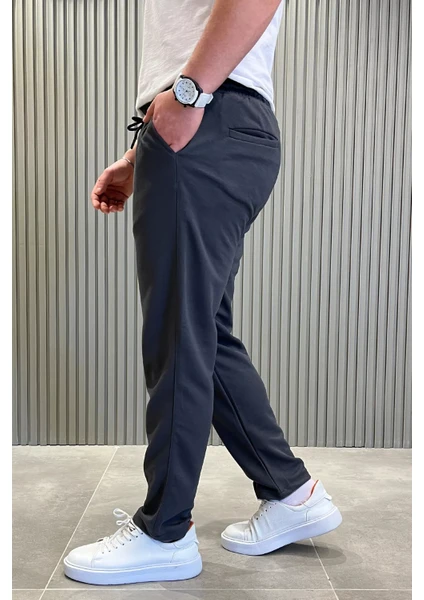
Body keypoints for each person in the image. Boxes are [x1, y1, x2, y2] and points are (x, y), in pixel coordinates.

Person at [63, 0, 342, 586]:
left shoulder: (195, 100)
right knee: (202, 330)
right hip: (220, 124)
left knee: (179, 333)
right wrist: (140, 154)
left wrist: (187, 97)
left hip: (206, 116)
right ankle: (291, 492)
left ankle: (165, 532)